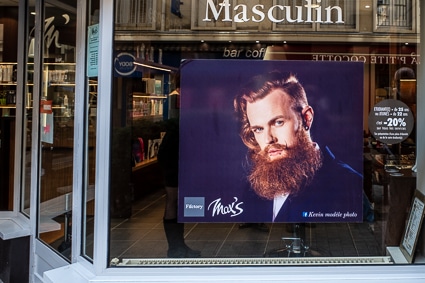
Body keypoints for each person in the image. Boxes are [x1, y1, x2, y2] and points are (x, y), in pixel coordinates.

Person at [233, 71, 369, 222]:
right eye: (258, 129)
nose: (268, 139)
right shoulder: (254, 188)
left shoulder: (348, 185)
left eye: (278, 122)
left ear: (306, 118)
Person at [157, 77, 200, 258]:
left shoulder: (183, 102)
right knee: (173, 199)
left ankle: (178, 246)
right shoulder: (176, 101)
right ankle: (175, 248)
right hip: (174, 153)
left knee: (176, 200)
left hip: (177, 151)